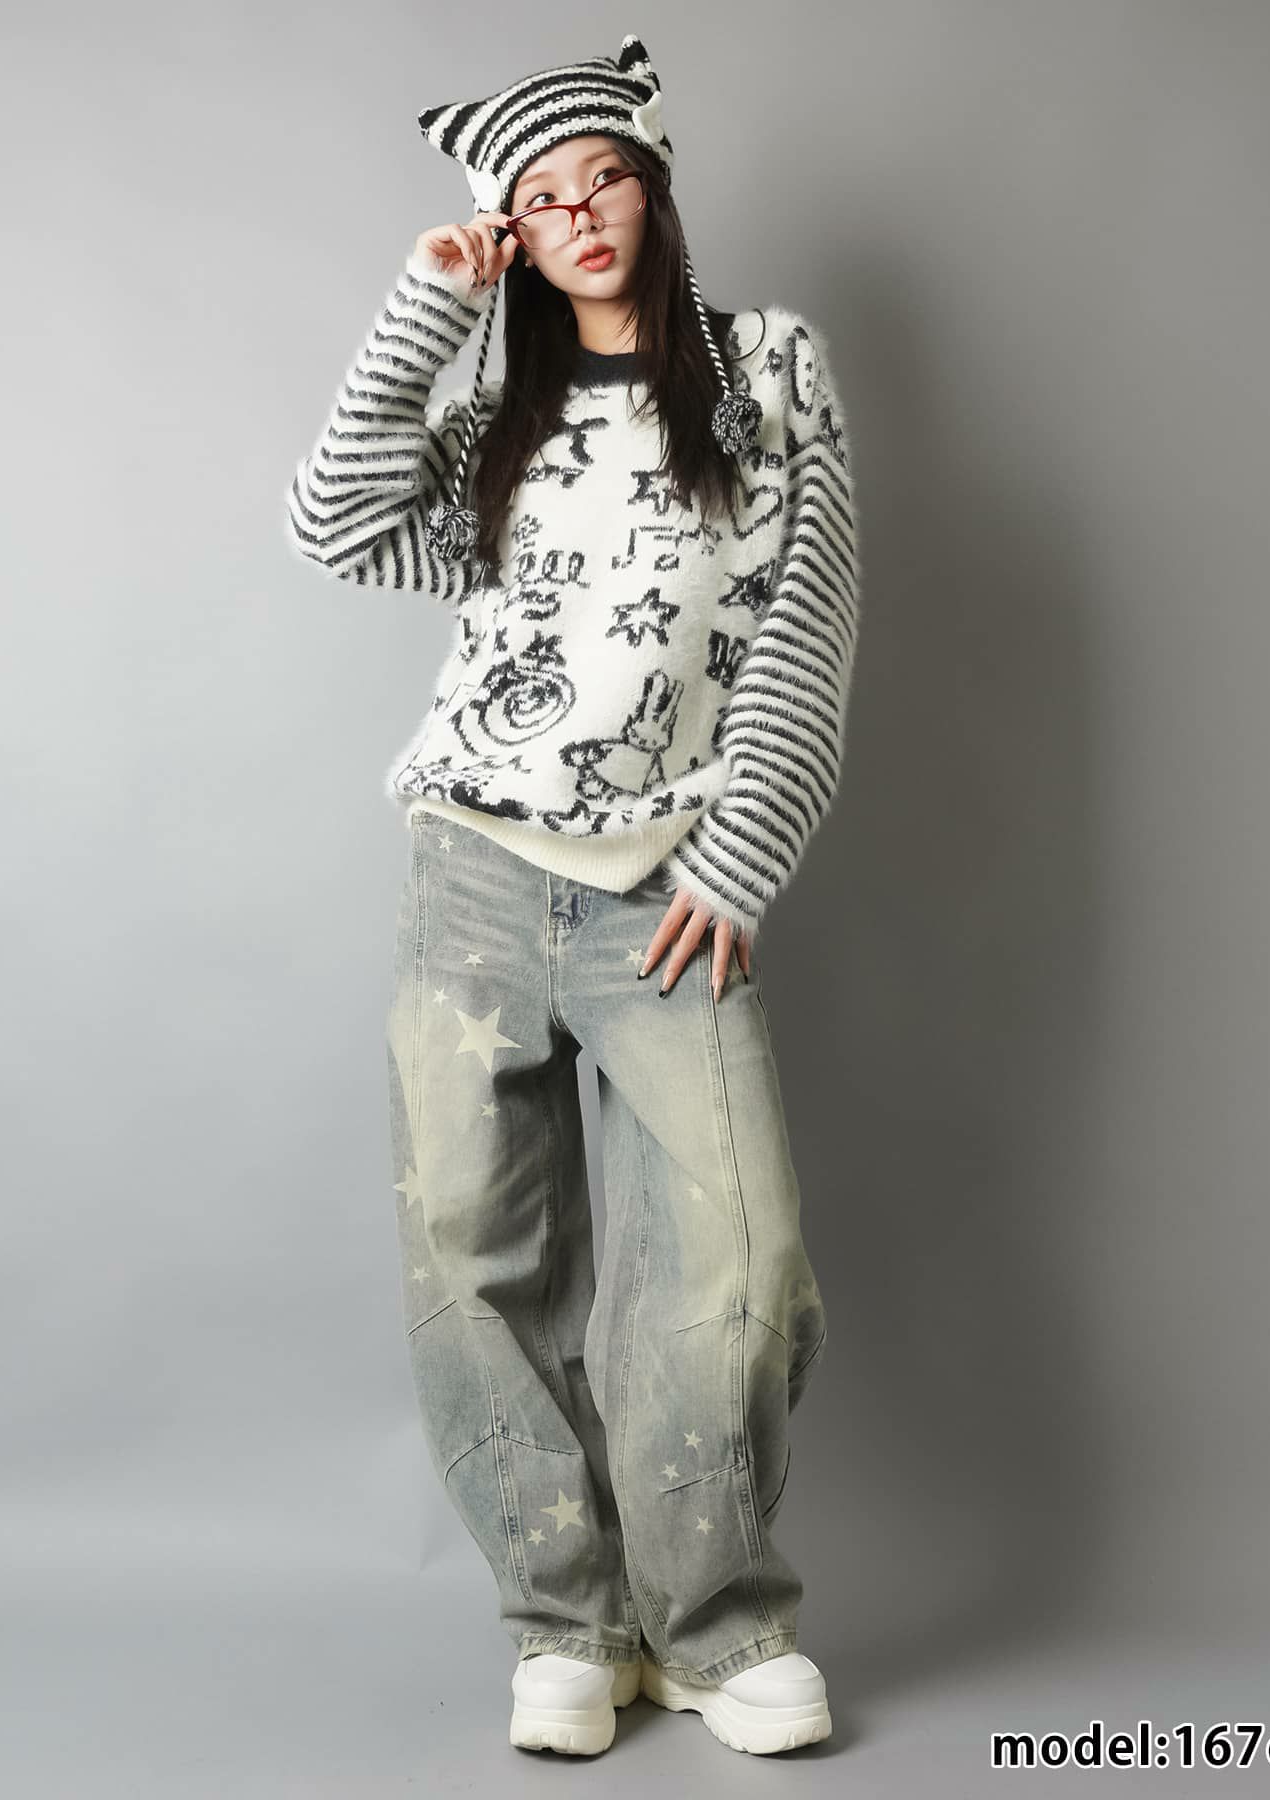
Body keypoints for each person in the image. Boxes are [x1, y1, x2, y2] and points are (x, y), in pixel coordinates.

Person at [285, 32, 858, 1760]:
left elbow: (810, 614)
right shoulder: (496, 418)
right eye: (538, 199)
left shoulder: (767, 370)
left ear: (654, 189)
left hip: (667, 890)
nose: (579, 212)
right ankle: (567, 1620)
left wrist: (740, 854)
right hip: (472, 873)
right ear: (514, 240)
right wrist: (426, 301)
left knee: (738, 1257)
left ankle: (711, 1624)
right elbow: (334, 523)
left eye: (602, 176)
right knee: (477, 1257)